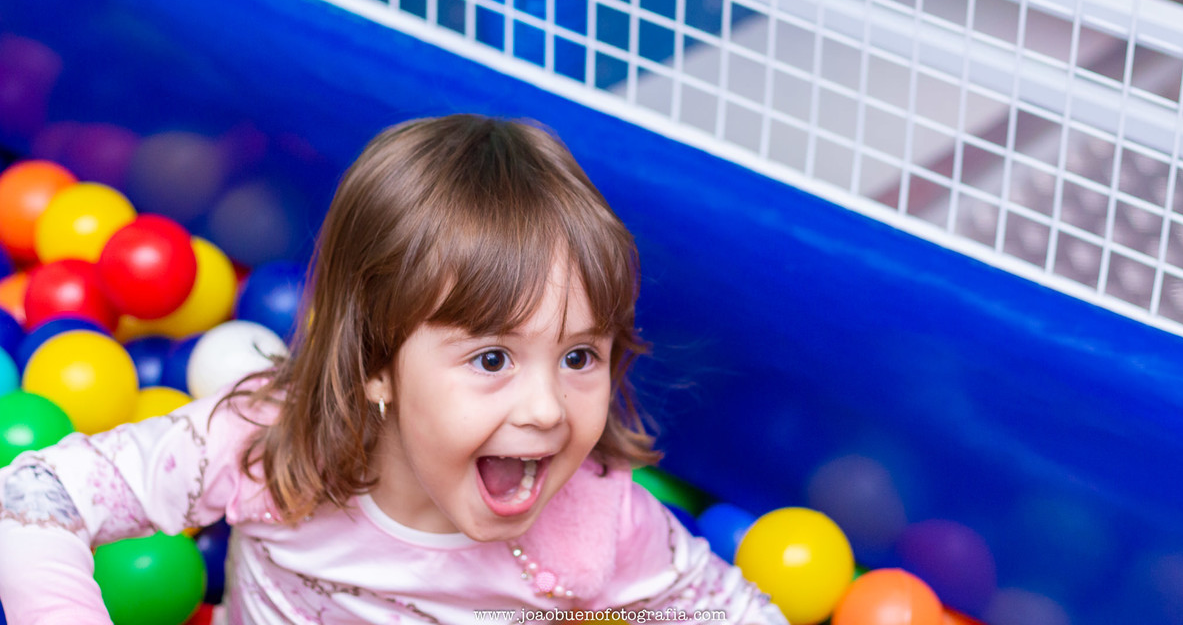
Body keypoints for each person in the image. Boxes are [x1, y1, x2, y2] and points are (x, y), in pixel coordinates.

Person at [0, 114, 785, 624]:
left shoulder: (602, 523)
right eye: (491, 358)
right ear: (376, 360)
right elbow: (32, 495)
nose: (547, 408)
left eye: (579, 356)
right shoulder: (268, 444)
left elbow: (738, 615)